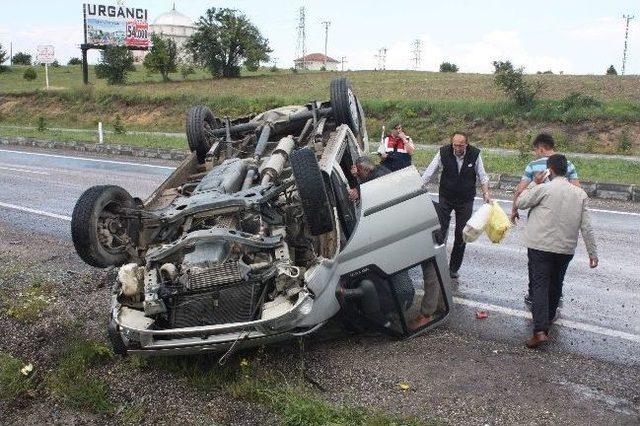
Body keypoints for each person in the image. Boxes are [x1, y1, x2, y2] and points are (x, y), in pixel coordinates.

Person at [516, 154, 598, 348]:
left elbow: (521, 202)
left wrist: (534, 184)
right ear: (566, 171)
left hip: (540, 246)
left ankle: (540, 331)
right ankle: (548, 322)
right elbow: (587, 227)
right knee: (556, 285)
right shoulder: (580, 194)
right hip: (565, 248)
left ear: (549, 170)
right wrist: (592, 253)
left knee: (539, 285)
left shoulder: (543, 188)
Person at [510, 133, 580, 307]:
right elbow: (577, 189)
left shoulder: (533, 166)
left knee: (536, 259)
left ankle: (534, 294)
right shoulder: (567, 165)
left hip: (539, 221)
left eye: (535, 150)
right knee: (558, 259)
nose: (535, 153)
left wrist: (514, 210)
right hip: (563, 220)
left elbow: (520, 190)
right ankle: (557, 294)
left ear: (541, 148)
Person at [421, 132, 492, 279]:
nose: (457, 148)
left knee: (462, 234)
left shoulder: (475, 154)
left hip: (465, 199)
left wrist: (486, 193)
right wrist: (419, 187)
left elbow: (482, 176)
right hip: (446, 196)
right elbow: (429, 172)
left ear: (466, 144)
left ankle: (453, 268)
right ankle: (437, 265)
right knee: (440, 230)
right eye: (455, 145)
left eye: (461, 145)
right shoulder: (443, 152)